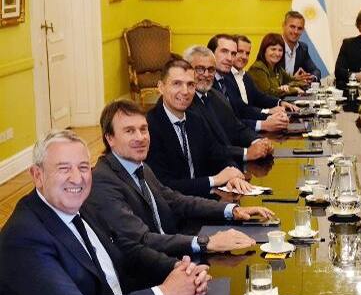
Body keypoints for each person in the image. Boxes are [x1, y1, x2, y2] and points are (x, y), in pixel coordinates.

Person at [0, 130, 210, 295]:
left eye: (83, 167)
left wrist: (179, 269)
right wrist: (166, 293)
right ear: (37, 175)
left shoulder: (80, 202)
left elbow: (126, 250)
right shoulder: (24, 237)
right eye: (64, 168)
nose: (77, 178)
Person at [88, 99, 273, 258]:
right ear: (110, 138)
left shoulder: (138, 165)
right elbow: (142, 239)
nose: (141, 138)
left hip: (171, 250)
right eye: (129, 131)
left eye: (143, 129)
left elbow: (175, 200)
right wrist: (205, 242)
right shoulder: (103, 181)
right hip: (148, 269)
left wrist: (231, 210)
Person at [146, 58, 254, 198]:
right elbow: (163, 185)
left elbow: (218, 154)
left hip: (203, 201)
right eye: (177, 84)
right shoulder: (149, 127)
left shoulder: (195, 120)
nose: (185, 91)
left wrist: (232, 174)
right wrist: (214, 180)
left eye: (190, 84)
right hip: (172, 206)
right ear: (161, 87)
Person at [184, 45, 273, 162]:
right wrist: (246, 153)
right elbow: (207, 148)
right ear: (186, 70)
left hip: (232, 163)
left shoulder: (216, 95)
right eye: (200, 69)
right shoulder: (185, 102)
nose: (206, 74)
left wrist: (258, 141)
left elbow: (237, 128)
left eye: (211, 69)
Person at [208, 34, 291, 132]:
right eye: (224, 51)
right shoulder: (209, 83)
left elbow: (244, 108)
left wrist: (270, 116)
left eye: (233, 53)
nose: (230, 58)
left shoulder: (230, 79)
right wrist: (264, 123)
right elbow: (227, 123)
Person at [248, 33, 307, 97]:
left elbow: (297, 82)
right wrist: (293, 89)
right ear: (264, 50)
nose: (277, 54)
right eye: (273, 49)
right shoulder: (257, 68)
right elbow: (268, 93)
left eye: (280, 50)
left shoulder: (277, 68)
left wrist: (287, 86)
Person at [281, 10, 322, 82]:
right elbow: (270, 80)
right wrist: (292, 80)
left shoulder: (303, 48)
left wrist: (311, 78)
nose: (295, 31)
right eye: (292, 27)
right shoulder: (274, 47)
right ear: (284, 25)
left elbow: (315, 71)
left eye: (299, 28)